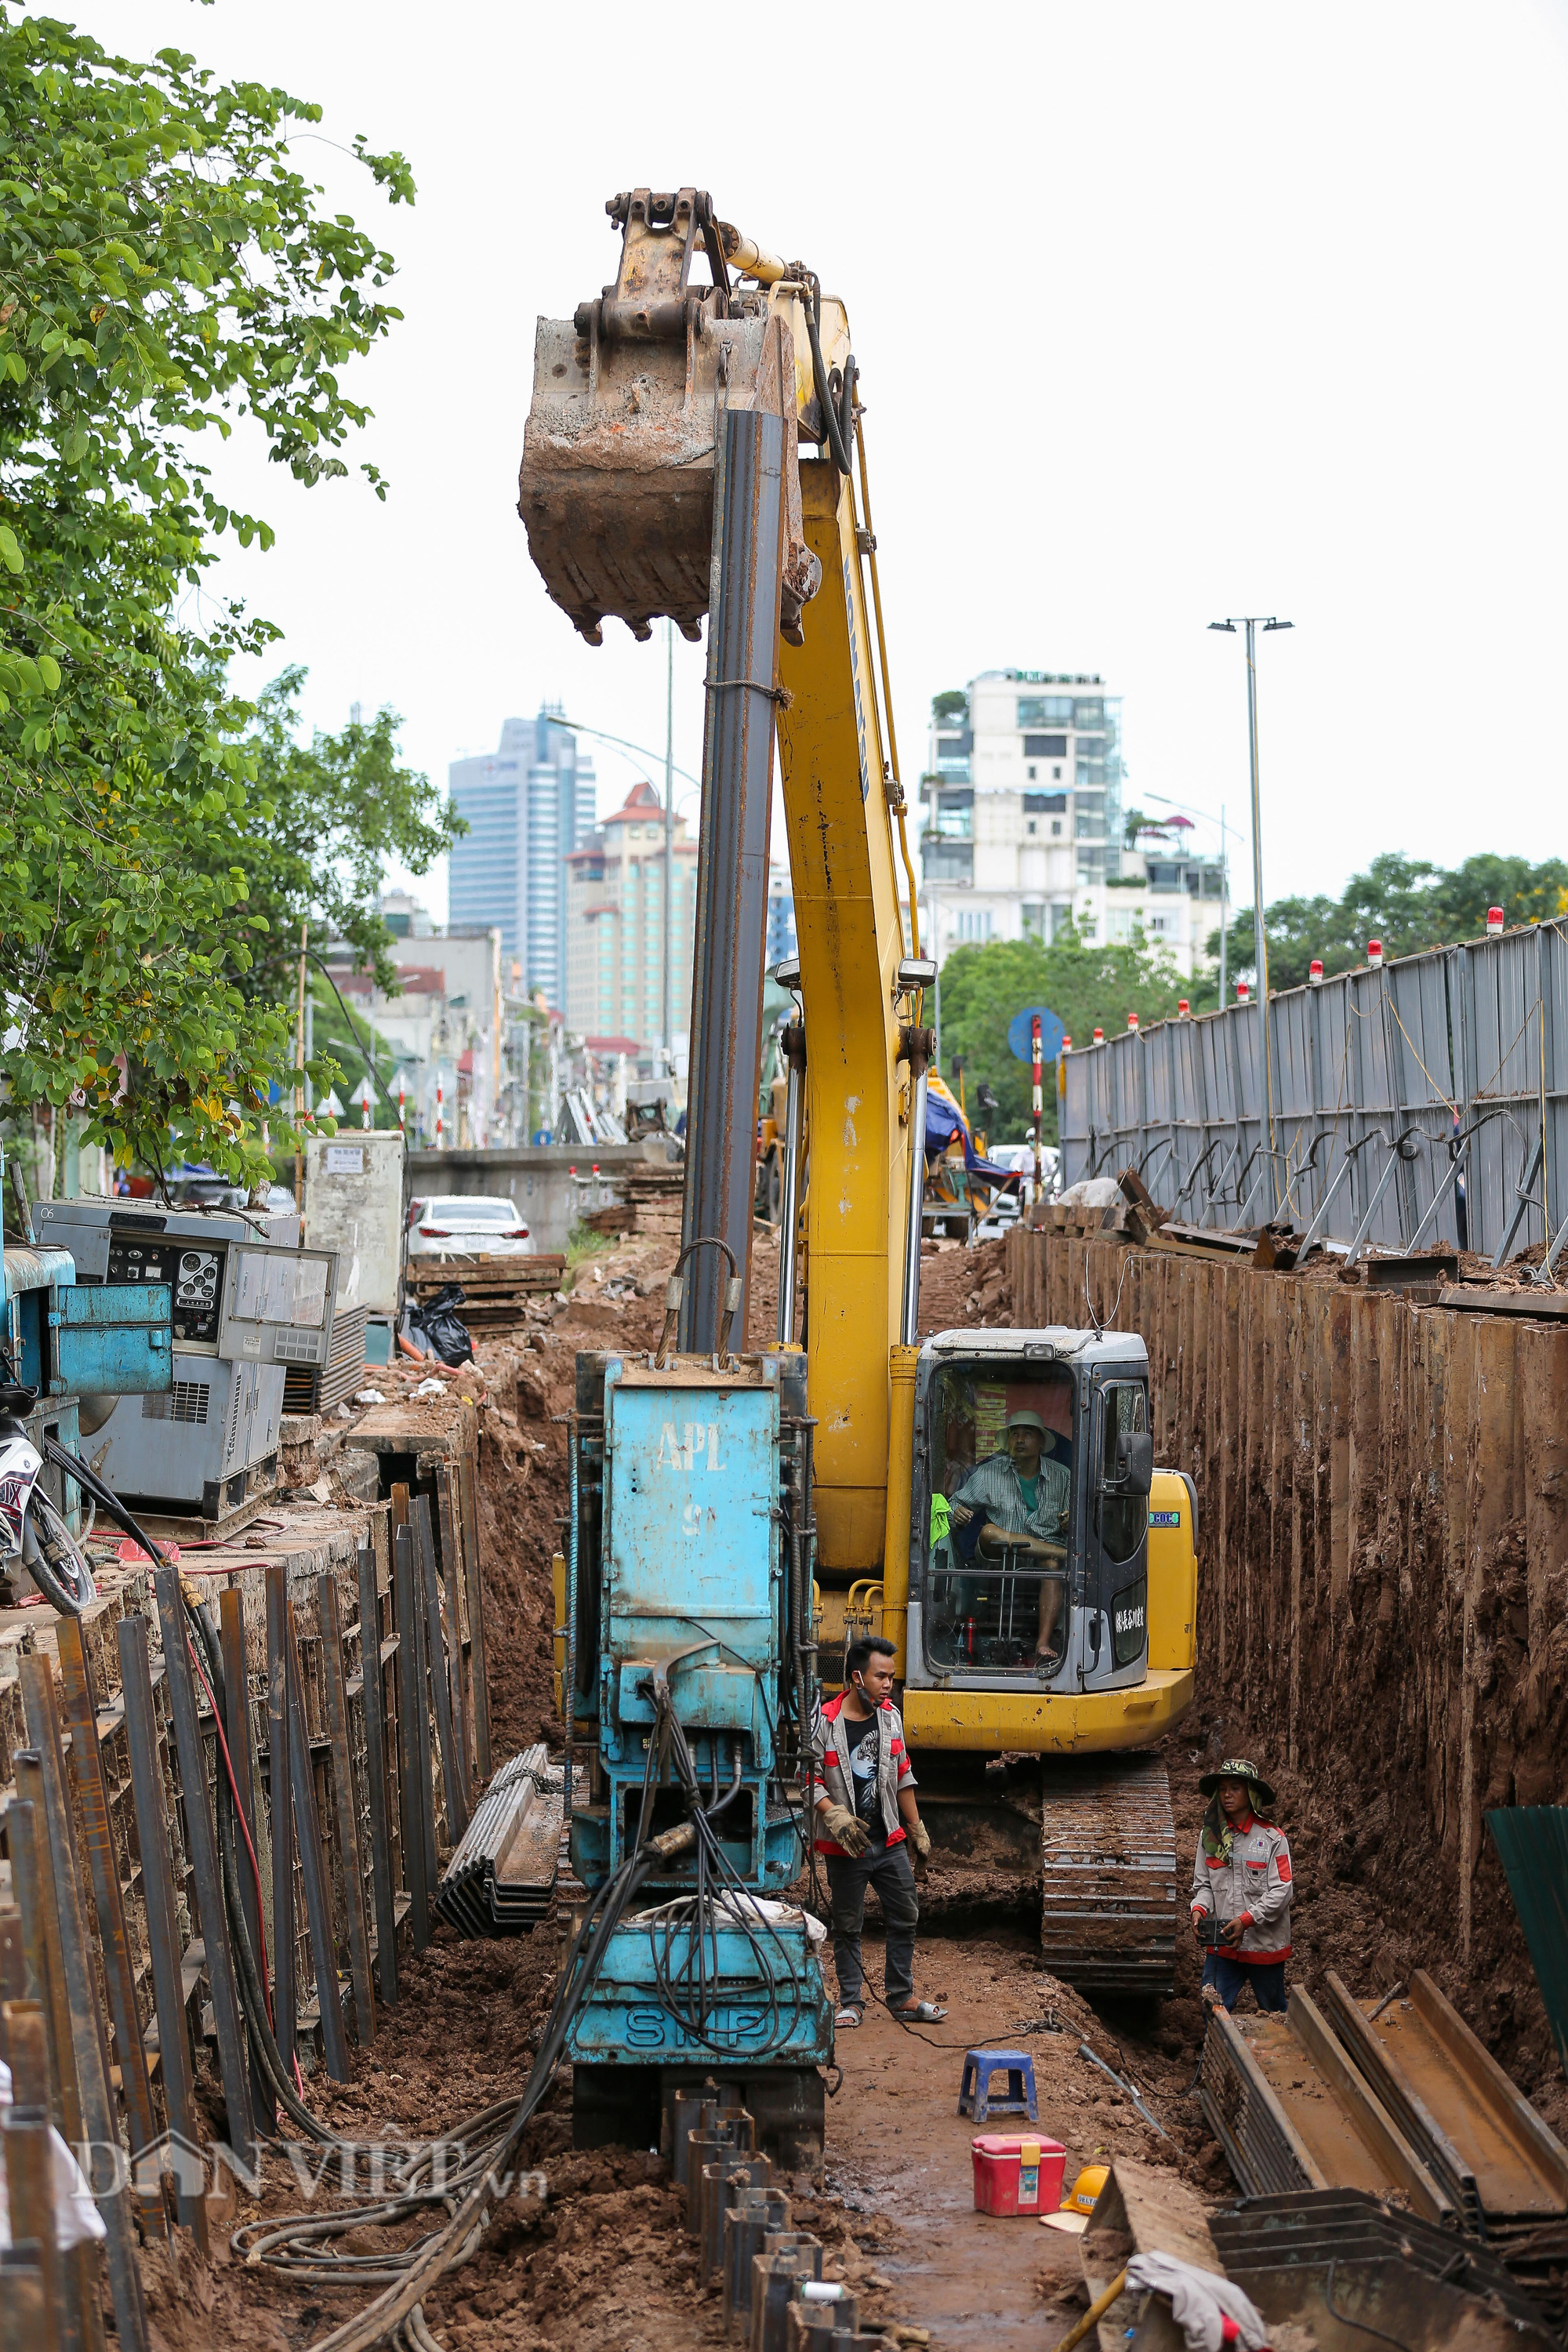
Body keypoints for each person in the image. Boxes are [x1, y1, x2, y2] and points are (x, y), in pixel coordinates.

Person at [811, 1635, 946, 2028]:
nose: (889, 1685)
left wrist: (916, 1827)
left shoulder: (890, 1718)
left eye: (891, 1677)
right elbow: (808, 1778)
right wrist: (833, 1814)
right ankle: (851, 2002)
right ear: (857, 1677)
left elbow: (903, 1774)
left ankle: (901, 1996)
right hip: (846, 1848)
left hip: (887, 1842)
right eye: (881, 1676)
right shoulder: (826, 1721)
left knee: (906, 1914)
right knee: (847, 1926)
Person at [950, 1409, 1070, 1663]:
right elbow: (954, 1503)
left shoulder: (1063, 1476)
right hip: (999, 1555)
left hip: (1043, 1558)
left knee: (1051, 1567)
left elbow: (1076, 1522)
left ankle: (1042, 1643)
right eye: (1015, 1433)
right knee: (989, 1532)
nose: (1020, 1439)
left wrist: (1070, 1521)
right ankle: (1062, 1554)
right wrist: (957, 1512)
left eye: (1027, 1434)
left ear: (1041, 1442)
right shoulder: (988, 1473)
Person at [1189, 1756, 1293, 2013]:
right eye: (1223, 1789)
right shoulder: (1209, 1836)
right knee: (1211, 2010)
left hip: (1263, 1946)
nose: (1227, 1795)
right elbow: (1203, 1885)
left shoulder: (1272, 1839)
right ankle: (1213, 2053)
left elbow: (1282, 1890)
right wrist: (1199, 1910)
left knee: (1274, 2013)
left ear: (1251, 1793)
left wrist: (1247, 1920)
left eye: (1235, 1788)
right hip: (1222, 1946)